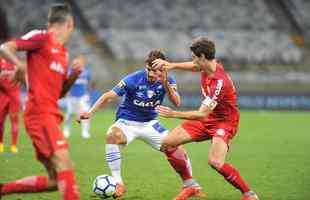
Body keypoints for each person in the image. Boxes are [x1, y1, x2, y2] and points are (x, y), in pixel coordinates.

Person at [79, 50, 206, 199]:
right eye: (149, 70)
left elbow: (177, 102)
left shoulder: (168, 80)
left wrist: (165, 82)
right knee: (112, 135)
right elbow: (108, 96)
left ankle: (192, 186)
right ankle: (119, 183)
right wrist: (90, 112)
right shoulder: (133, 79)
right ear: (146, 67)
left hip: (149, 123)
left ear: (164, 68)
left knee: (176, 146)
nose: (152, 74)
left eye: (156, 71)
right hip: (127, 122)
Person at [153, 37, 259, 200]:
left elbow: (201, 113)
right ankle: (190, 185)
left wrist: (173, 114)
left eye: (195, 57)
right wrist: (172, 65)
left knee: (215, 162)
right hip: (208, 119)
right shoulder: (207, 66)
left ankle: (249, 195)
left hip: (224, 122)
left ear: (202, 56)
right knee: (168, 143)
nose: (193, 60)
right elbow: (194, 66)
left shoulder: (219, 83)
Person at [0, 4, 83, 200]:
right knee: (65, 163)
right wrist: (19, 63)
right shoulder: (42, 37)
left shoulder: (63, 53)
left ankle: (3, 189)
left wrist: (73, 75)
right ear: (70, 24)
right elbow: (5, 47)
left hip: (51, 115)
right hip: (39, 114)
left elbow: (60, 93)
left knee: (55, 180)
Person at [64, 65, 92, 138]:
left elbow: (88, 83)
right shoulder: (69, 72)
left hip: (82, 97)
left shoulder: (86, 72)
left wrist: (88, 93)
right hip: (72, 97)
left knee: (85, 113)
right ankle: (66, 130)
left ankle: (85, 131)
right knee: (70, 114)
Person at [0, 57, 20, 153]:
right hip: (2, 96)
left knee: (14, 121)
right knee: (0, 121)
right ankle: (1, 144)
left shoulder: (17, 63)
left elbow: (22, 78)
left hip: (14, 96)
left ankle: (14, 146)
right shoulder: (1, 62)